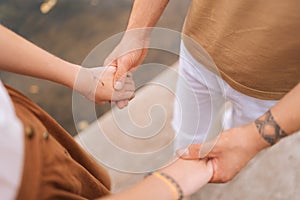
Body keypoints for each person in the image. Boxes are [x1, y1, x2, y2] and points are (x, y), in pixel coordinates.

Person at [0, 25, 213, 200]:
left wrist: (82, 78)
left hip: (23, 121)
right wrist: (171, 183)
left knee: (94, 184)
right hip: (27, 188)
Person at [104, 0, 300, 183]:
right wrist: (136, 34)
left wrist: (253, 139)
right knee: (188, 131)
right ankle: (181, 172)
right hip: (198, 50)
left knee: (235, 137)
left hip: (272, 91)